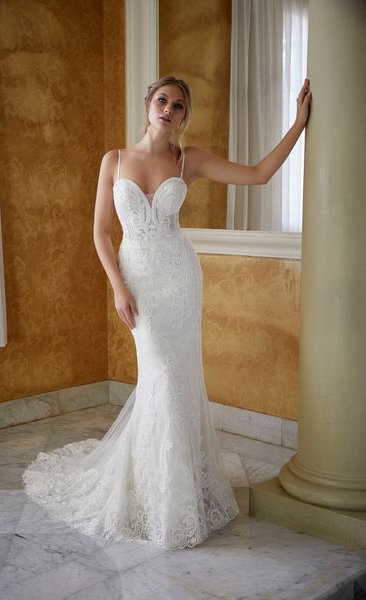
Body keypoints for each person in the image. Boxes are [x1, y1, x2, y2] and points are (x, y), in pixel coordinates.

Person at [22, 75, 312, 550]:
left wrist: (298, 124)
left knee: (178, 379)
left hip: (180, 279)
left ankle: (180, 492)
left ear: (183, 116)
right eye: (162, 101)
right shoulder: (114, 160)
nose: (169, 110)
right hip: (139, 281)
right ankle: (157, 492)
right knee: (160, 377)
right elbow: (99, 232)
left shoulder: (187, 159)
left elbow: (259, 174)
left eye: (178, 106)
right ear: (147, 105)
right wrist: (118, 287)